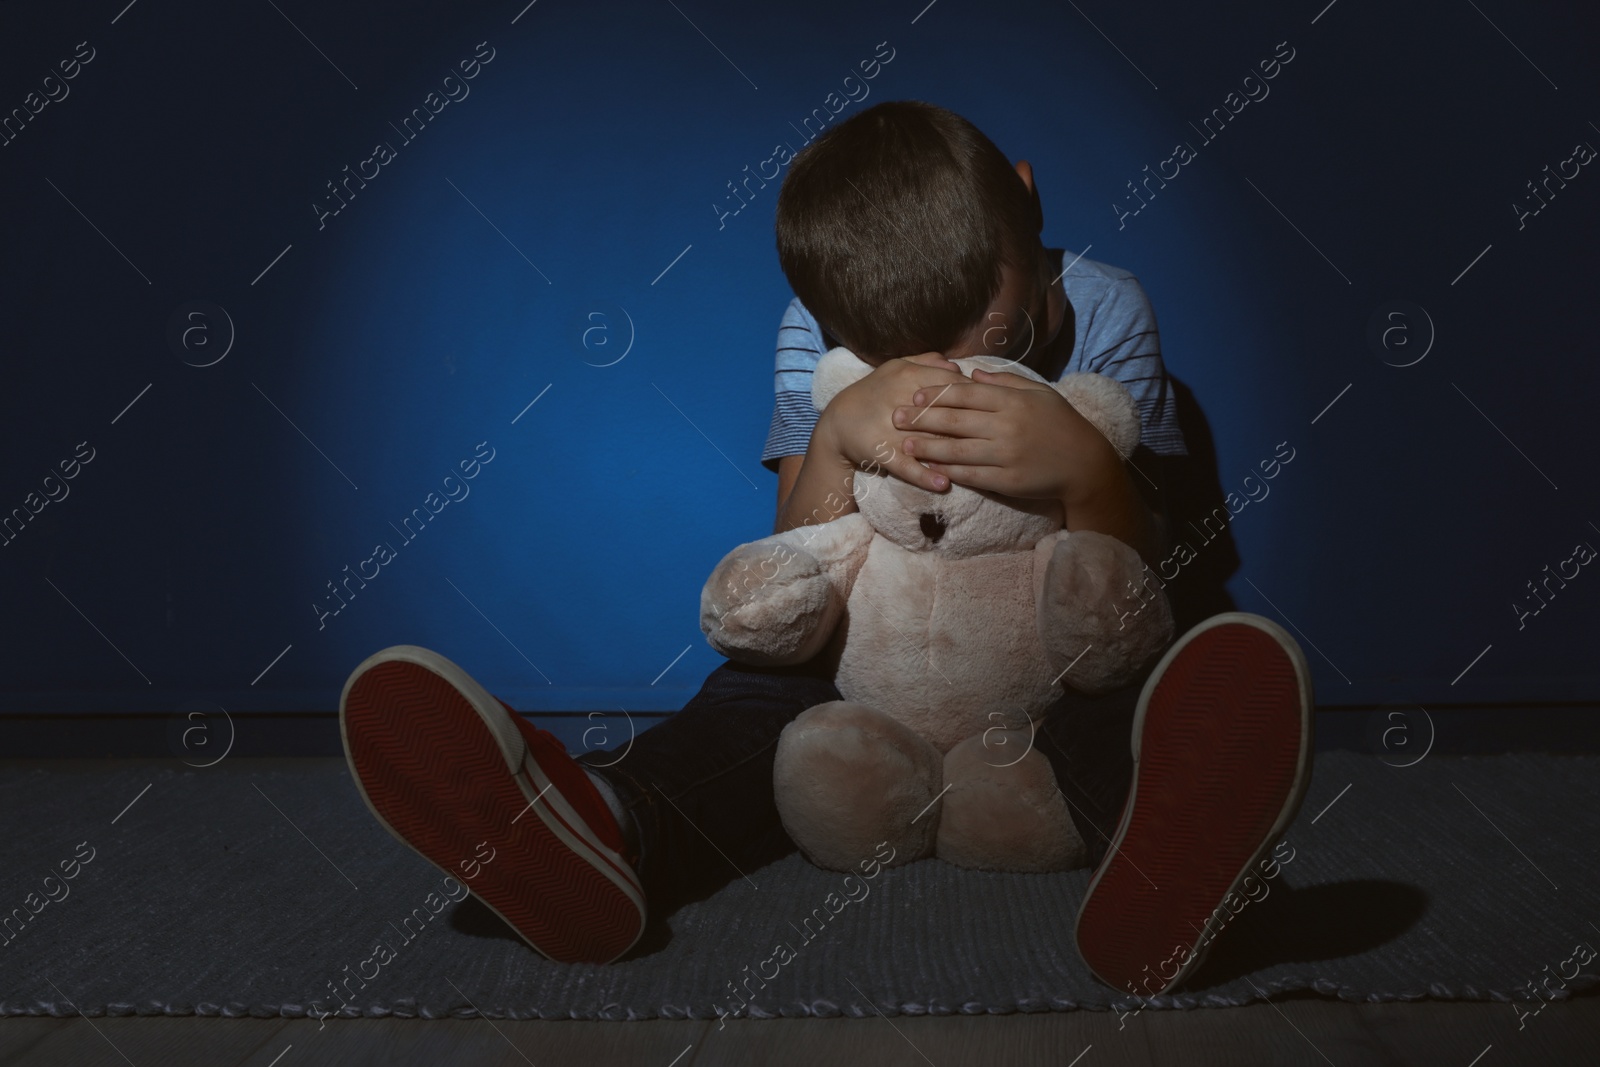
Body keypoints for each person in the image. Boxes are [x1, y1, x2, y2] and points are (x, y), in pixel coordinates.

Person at [338, 100, 1313, 998]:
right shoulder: (812, 322)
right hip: (868, 681)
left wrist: (1089, 473)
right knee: (749, 701)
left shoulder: (1106, 307)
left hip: (1042, 678)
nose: (952, 371)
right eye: (898, 354)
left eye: (993, 331)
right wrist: (843, 431)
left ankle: (1175, 872)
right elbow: (797, 555)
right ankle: (604, 822)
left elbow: (1154, 575)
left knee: (1125, 694)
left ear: (1025, 197)